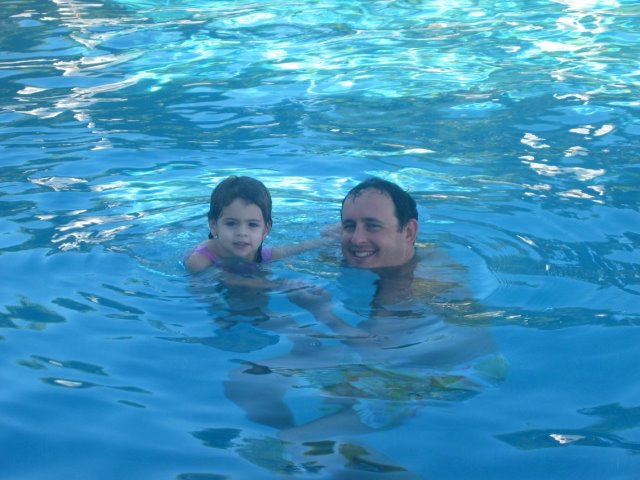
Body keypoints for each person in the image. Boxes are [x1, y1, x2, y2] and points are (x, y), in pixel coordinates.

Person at [184, 175, 334, 274]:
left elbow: (292, 250)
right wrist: (279, 285)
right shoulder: (200, 261)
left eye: (252, 225)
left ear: (265, 230)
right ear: (214, 226)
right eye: (231, 223)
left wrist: (327, 241)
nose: (242, 233)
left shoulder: (261, 254)